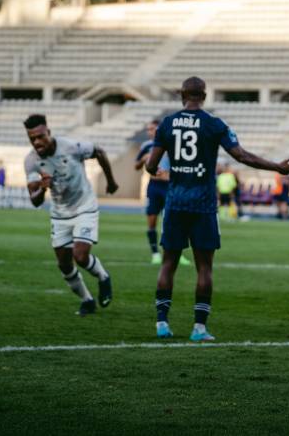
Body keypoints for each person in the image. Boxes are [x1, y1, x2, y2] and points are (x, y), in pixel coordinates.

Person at [146, 76, 289, 342]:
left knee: (168, 263)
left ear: (182, 95)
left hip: (176, 203)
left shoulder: (167, 124)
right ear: (204, 96)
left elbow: (151, 164)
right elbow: (242, 156)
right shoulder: (215, 124)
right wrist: (277, 167)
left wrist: (156, 171)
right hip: (203, 205)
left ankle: (162, 324)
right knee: (204, 267)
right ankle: (199, 329)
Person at [24, 114, 117, 316]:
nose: (37, 142)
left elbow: (99, 151)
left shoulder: (71, 146)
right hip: (59, 214)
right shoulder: (31, 161)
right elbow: (34, 199)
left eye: (40, 136)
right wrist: (42, 188)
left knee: (80, 256)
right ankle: (87, 300)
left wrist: (110, 181)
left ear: (48, 132)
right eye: (32, 138)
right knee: (64, 264)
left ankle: (103, 277)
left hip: (84, 207)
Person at [135, 120, 188, 266]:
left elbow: (181, 166)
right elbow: (136, 165)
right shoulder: (146, 146)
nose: (149, 132)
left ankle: (177, 254)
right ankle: (155, 254)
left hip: (170, 187)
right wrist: (143, 161)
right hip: (154, 186)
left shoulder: (172, 144)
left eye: (152, 129)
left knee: (173, 222)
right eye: (148, 129)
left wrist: (171, 176)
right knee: (152, 221)